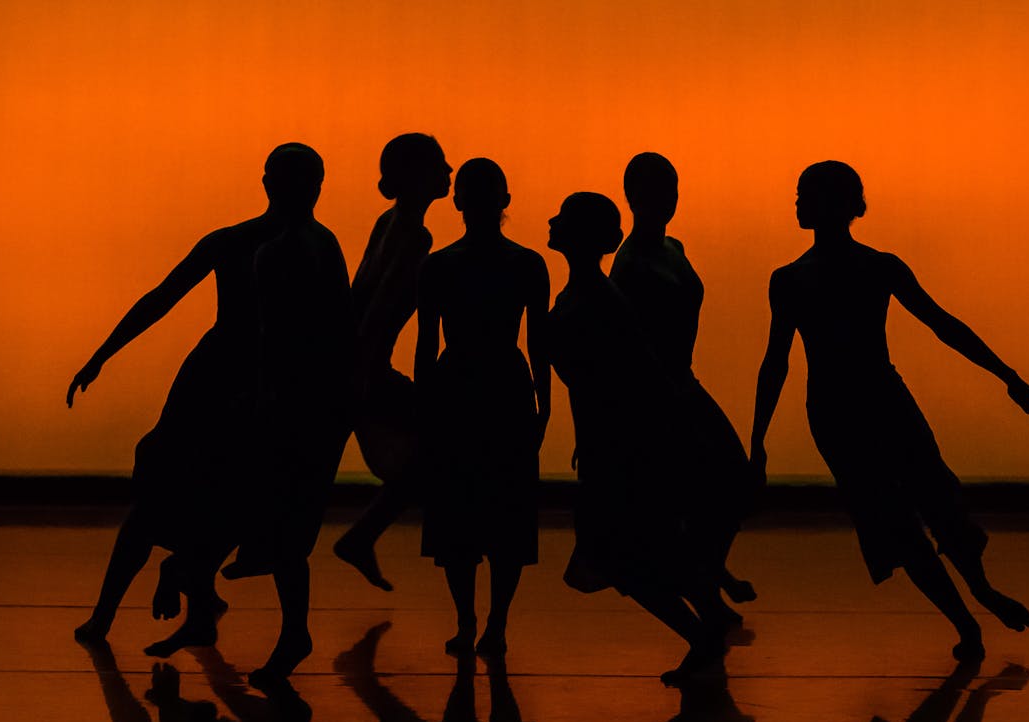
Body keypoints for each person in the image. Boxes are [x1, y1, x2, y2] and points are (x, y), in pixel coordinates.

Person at [750, 161, 1029, 661]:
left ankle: (974, 603)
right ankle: (969, 613)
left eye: (804, 195)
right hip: (862, 406)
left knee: (927, 506)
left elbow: (943, 325)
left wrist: (1008, 377)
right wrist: (756, 440)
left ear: (836, 204)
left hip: (857, 406)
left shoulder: (831, 274)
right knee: (913, 513)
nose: (797, 203)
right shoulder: (826, 274)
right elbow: (775, 362)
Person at [68, 143, 328, 650]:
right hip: (228, 382)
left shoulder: (276, 244)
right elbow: (161, 298)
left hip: (240, 382)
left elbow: (161, 298)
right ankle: (161, 605)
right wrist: (102, 354)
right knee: (194, 497)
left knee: (210, 498)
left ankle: (162, 605)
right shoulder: (277, 244)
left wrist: (102, 355)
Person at [220, 133, 453, 593]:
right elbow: (380, 307)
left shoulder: (388, 222)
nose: (449, 172)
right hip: (363, 366)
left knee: (307, 465)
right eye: (441, 165)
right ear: (420, 177)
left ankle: (280, 543)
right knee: (430, 454)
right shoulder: (415, 235)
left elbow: (359, 299)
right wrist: (360, 376)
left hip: (351, 361)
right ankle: (337, 539)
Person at [546, 192, 729, 684]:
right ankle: (707, 626)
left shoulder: (599, 299)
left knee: (624, 557)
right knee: (643, 549)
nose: (550, 221)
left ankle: (704, 633)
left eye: (562, 218)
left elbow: (632, 374)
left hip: (620, 444)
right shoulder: (591, 293)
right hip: (614, 440)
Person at [414, 158, 550, 658]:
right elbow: (539, 341)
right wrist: (545, 400)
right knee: (505, 514)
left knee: (459, 514)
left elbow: (427, 344)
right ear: (505, 200)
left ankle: (470, 621)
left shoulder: (439, 266)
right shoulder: (527, 264)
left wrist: (422, 404)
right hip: (506, 385)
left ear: (458, 201)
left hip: (457, 386)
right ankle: (494, 623)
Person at [610, 152, 756, 613]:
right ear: (634, 198)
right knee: (702, 491)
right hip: (656, 394)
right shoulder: (630, 265)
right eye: (657, 192)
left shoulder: (674, 249)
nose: (668, 201)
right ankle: (707, 587)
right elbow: (624, 344)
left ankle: (710, 577)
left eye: (672, 190)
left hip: (682, 384)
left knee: (732, 481)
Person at [240, 146, 354, 685]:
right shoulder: (324, 242)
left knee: (286, 522)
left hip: (294, 398)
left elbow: (274, 337)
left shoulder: (275, 252)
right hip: (324, 397)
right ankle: (291, 627)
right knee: (294, 520)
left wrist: (267, 397)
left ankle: (293, 631)